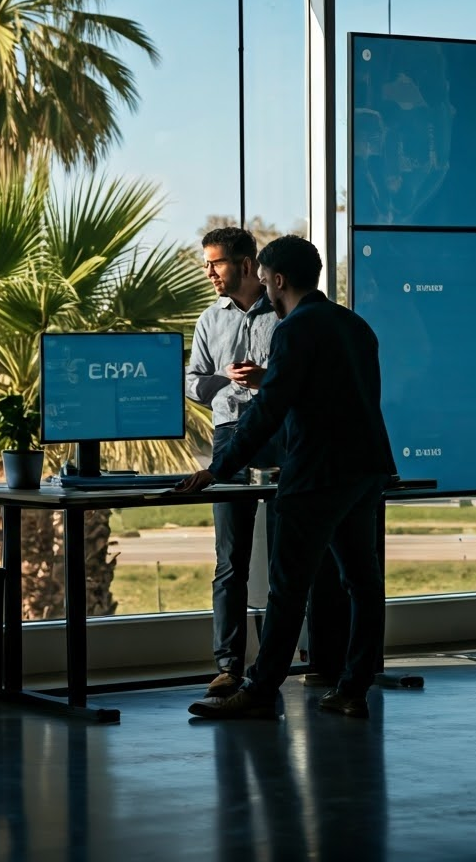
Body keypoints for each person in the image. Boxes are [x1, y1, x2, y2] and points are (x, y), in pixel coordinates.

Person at [178, 235, 396, 721]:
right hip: (366, 469)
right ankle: (353, 688)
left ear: (276, 280)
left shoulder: (294, 330)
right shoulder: (355, 325)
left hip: (317, 472)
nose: (261, 288)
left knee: (287, 586)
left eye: (263, 279)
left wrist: (218, 469)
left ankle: (258, 690)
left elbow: (269, 411)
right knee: (363, 583)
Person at [186, 226, 282, 699]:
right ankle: (228, 666)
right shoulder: (210, 319)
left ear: (246, 265)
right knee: (230, 561)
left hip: (280, 438)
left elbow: (299, 376)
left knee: (286, 557)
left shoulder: (285, 311)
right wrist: (222, 382)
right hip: (228, 439)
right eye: (206, 263)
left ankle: (278, 664)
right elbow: (192, 382)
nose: (209, 273)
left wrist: (269, 382)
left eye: (216, 263)